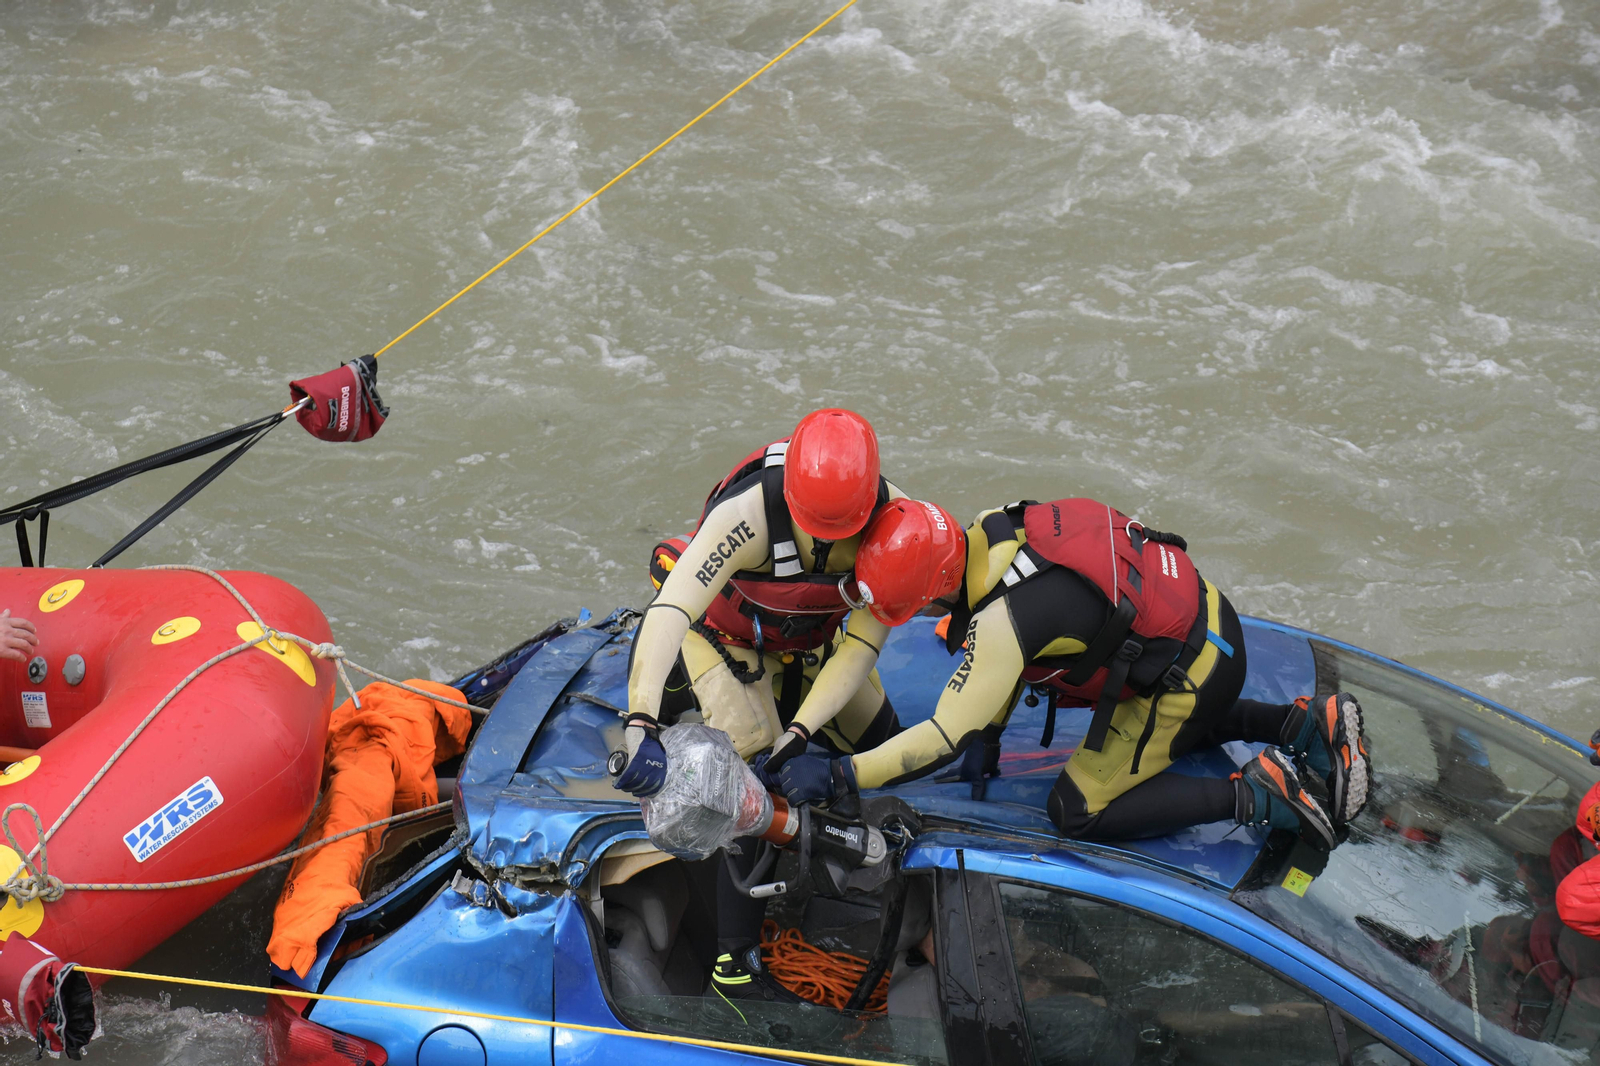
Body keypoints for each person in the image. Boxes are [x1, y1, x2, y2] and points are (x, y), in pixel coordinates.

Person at [767, 497, 1373, 850]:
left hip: (1188, 676)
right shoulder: (993, 526)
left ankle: (1260, 795)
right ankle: (1300, 726)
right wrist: (992, 731)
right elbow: (1002, 674)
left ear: (934, 590)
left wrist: (841, 773)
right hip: (1213, 621)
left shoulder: (1003, 625)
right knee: (1157, 712)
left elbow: (942, 737)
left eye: (913, 606)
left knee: (1075, 809)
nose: (916, 618)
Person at [614, 408, 906, 1003]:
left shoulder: (892, 521)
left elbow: (861, 647)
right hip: (727, 640)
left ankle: (853, 867)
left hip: (816, 645)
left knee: (887, 744)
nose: (827, 540)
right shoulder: (745, 514)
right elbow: (671, 611)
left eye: (840, 529)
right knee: (746, 787)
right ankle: (734, 967)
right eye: (815, 526)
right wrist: (639, 722)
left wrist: (800, 731)